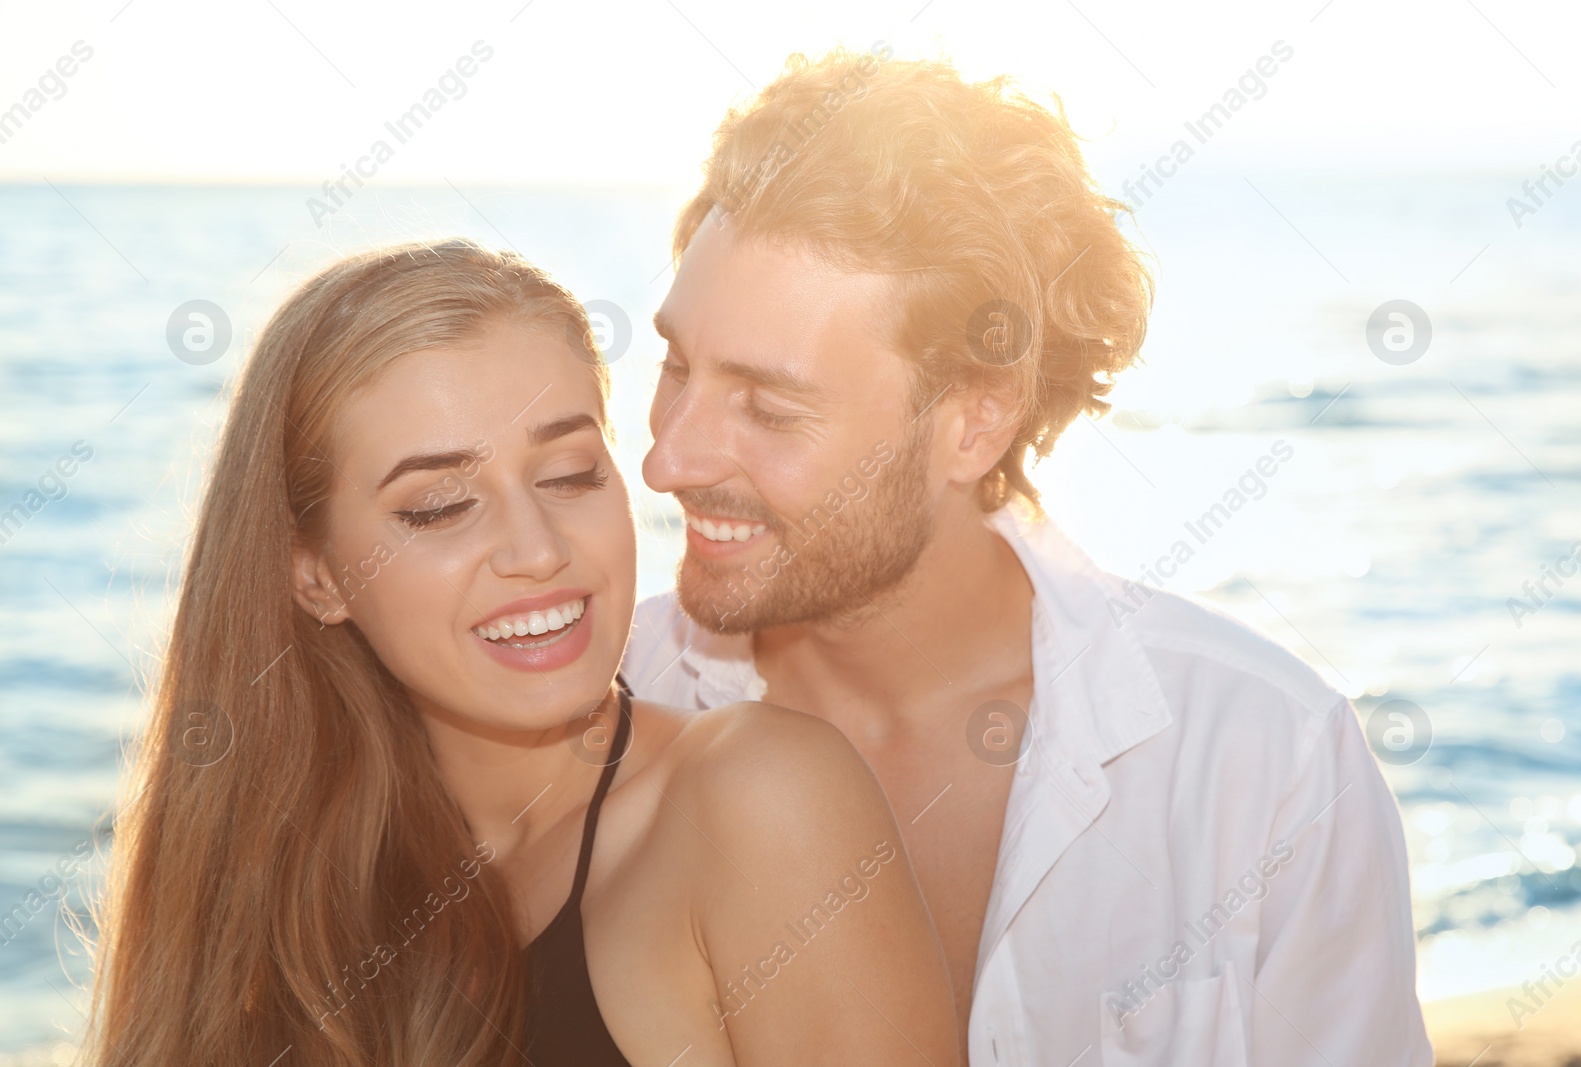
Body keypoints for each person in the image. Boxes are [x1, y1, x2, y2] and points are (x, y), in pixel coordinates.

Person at [622, 49, 1434, 1066]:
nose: (665, 456)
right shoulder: (598, 711)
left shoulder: (1266, 760)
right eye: (676, 366)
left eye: (769, 405)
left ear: (973, 422)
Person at [84, 240, 961, 1067]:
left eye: (570, 473)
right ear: (316, 577)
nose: (537, 548)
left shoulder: (761, 799)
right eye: (438, 506)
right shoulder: (259, 887)